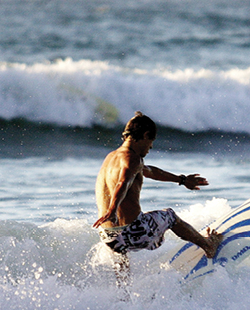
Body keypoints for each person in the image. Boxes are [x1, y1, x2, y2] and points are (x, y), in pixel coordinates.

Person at [93, 111, 222, 280]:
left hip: (109, 237)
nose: (151, 147)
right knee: (169, 216)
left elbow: (151, 171)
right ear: (145, 135)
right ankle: (208, 245)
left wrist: (182, 180)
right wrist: (113, 208)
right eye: (151, 141)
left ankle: (123, 296)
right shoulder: (132, 159)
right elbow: (123, 182)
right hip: (133, 233)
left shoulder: (112, 158)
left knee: (121, 254)